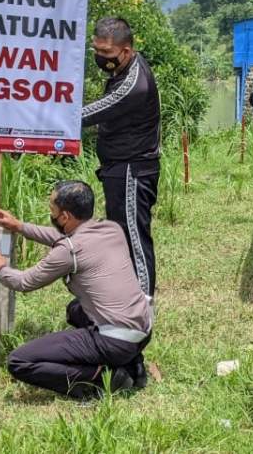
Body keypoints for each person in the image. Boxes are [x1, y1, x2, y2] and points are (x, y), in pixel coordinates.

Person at [0, 180, 153, 400]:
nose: (50, 214)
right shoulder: (112, 229)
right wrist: (21, 227)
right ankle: (134, 365)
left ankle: (100, 378)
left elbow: (24, 282)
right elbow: (66, 240)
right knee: (75, 310)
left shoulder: (69, 251)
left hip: (115, 341)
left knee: (19, 361)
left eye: (52, 210)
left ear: (65, 217)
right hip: (143, 329)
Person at [82, 17, 161, 299]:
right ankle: (126, 303)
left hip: (132, 171)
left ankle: (142, 310)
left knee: (134, 241)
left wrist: (51, 121)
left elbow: (92, 113)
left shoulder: (133, 85)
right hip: (121, 168)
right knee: (122, 238)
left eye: (106, 53)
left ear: (125, 51)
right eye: (97, 50)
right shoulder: (126, 70)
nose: (100, 58)